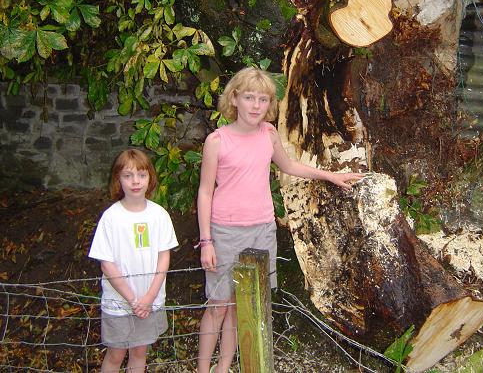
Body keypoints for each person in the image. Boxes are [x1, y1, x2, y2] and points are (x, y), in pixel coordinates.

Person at [196, 67, 363, 373]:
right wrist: (206, 241)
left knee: (241, 306)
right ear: (234, 99)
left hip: (262, 229)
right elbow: (205, 193)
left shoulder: (269, 134)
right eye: (249, 97)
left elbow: (289, 165)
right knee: (218, 306)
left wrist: (331, 175)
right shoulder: (217, 141)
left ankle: (223, 367)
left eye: (262, 99)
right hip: (225, 231)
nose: (256, 105)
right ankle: (203, 369)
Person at [89, 149, 178, 373]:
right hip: (119, 303)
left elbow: (163, 257)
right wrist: (132, 299)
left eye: (141, 174)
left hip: (150, 301)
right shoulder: (111, 217)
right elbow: (106, 264)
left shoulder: (159, 215)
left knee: (140, 352)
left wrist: (148, 298)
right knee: (116, 354)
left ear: (150, 178)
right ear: (118, 179)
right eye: (128, 176)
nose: (135, 181)